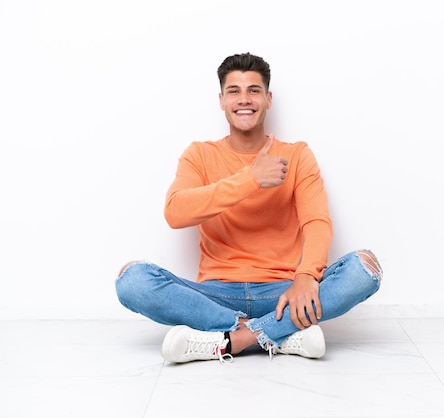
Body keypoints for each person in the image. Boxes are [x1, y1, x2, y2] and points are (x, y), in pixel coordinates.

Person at [115, 52, 382, 364]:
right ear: (221, 100)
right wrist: (251, 178)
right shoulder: (199, 155)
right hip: (215, 295)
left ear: (268, 99)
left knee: (366, 268)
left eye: (254, 90)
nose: (245, 100)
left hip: (282, 292)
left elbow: (316, 222)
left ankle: (236, 339)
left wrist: (306, 277)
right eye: (234, 91)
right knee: (131, 280)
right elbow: (176, 211)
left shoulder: (296, 155)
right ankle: (280, 334)